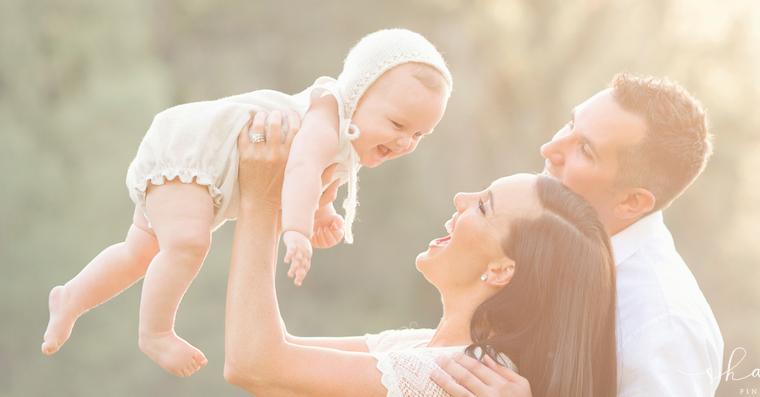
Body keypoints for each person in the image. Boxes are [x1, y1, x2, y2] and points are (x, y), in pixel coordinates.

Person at [225, 109, 618, 397]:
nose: (461, 199)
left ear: (501, 269)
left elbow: (254, 362)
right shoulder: (421, 348)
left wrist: (261, 200)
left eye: (483, 206)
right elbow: (269, 344)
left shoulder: (459, 380)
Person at [41, 28, 452, 377]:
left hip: (201, 175)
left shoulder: (347, 146)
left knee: (140, 250)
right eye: (398, 124)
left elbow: (319, 184)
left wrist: (321, 215)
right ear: (357, 93)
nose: (404, 142)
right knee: (187, 246)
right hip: (195, 154)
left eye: (419, 135)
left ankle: (71, 297)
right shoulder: (327, 118)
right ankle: (155, 333)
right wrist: (295, 229)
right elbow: (303, 169)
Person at [433, 73, 724, 397]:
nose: (549, 149)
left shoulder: (662, 317)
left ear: (632, 201)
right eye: (570, 125)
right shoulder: (546, 237)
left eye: (584, 150)